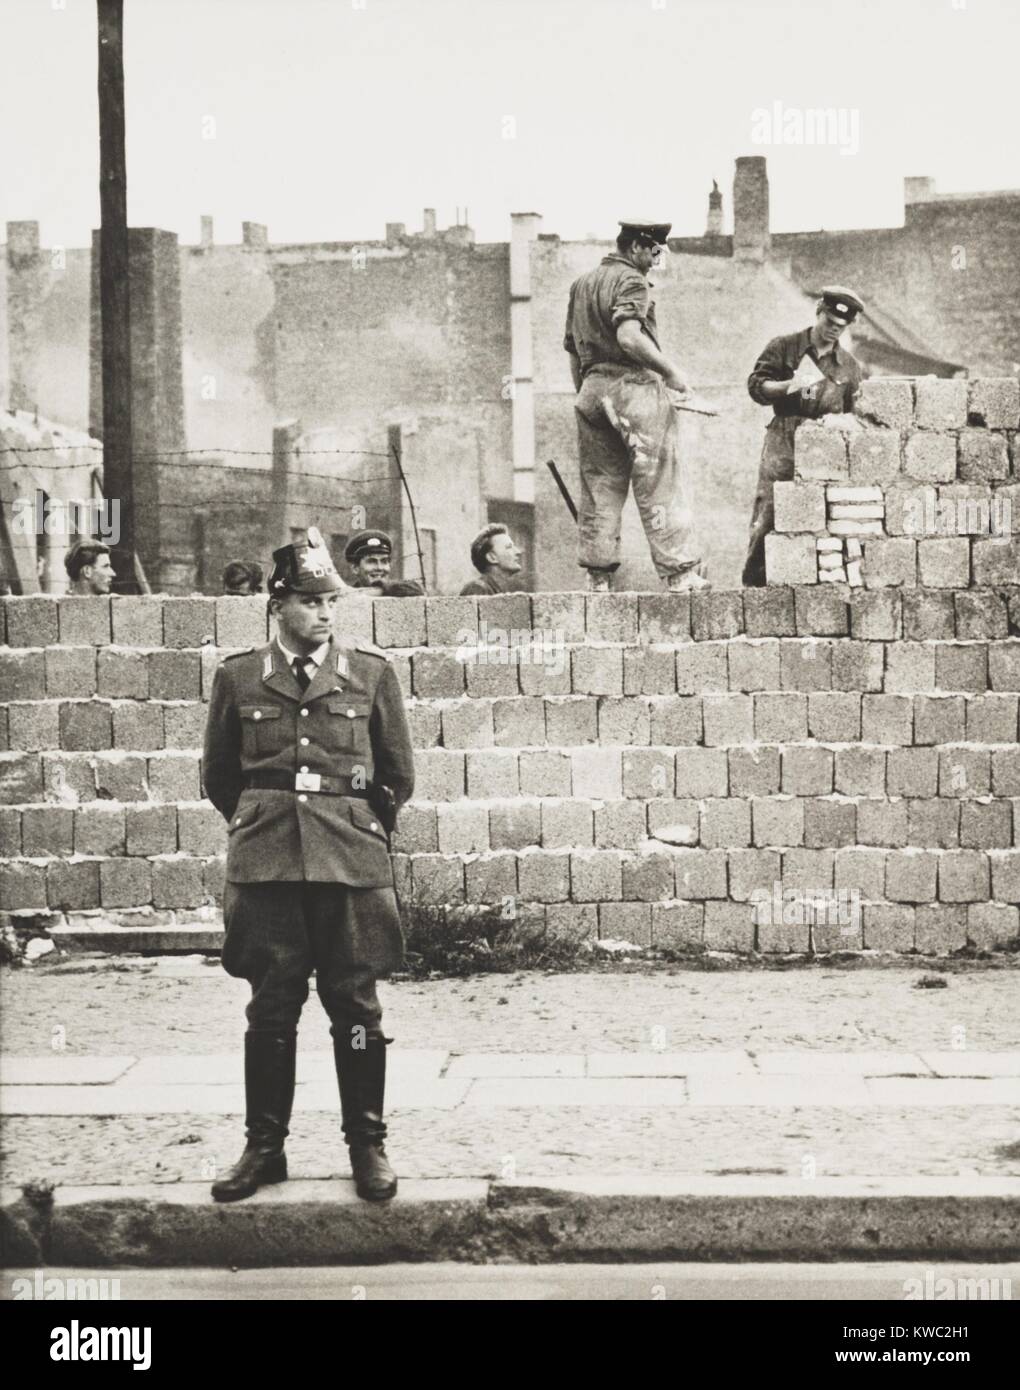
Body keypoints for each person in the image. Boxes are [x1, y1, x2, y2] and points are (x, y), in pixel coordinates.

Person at [202, 527, 415, 1204]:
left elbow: (397, 776)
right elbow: (218, 777)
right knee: (271, 1008)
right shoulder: (237, 676)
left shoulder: (371, 673)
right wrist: (266, 821)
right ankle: (264, 1147)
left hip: (349, 863)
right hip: (266, 864)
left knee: (356, 1006)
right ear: (279, 604)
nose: (325, 612)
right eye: (311, 600)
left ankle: (367, 1145)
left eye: (332, 601)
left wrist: (353, 827)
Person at [563, 219, 708, 594]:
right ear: (637, 247)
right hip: (633, 387)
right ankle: (680, 574)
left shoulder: (581, 285)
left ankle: (598, 579)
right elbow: (629, 336)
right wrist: (671, 372)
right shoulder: (632, 281)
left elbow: (573, 352)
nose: (657, 259)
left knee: (600, 485)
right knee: (658, 477)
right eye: (654, 251)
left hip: (591, 392)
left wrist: (589, 394)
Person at [742, 286, 866, 586]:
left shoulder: (849, 367)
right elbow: (756, 387)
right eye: (829, 324)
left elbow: (855, 413)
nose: (833, 331)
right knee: (769, 514)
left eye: (840, 327)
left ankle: (810, 589)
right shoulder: (784, 347)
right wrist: (787, 387)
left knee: (824, 517)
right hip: (784, 437)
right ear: (819, 313)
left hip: (826, 445)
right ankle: (755, 587)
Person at [344, 529, 424, 597]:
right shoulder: (349, 596)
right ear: (355, 568)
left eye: (384, 561)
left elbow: (417, 590)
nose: (379, 567)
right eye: (371, 561)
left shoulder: (396, 592)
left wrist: (379, 591)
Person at [459, 523, 523, 596]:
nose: (518, 552)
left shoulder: (498, 589)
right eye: (509, 547)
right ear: (492, 557)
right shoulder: (478, 588)